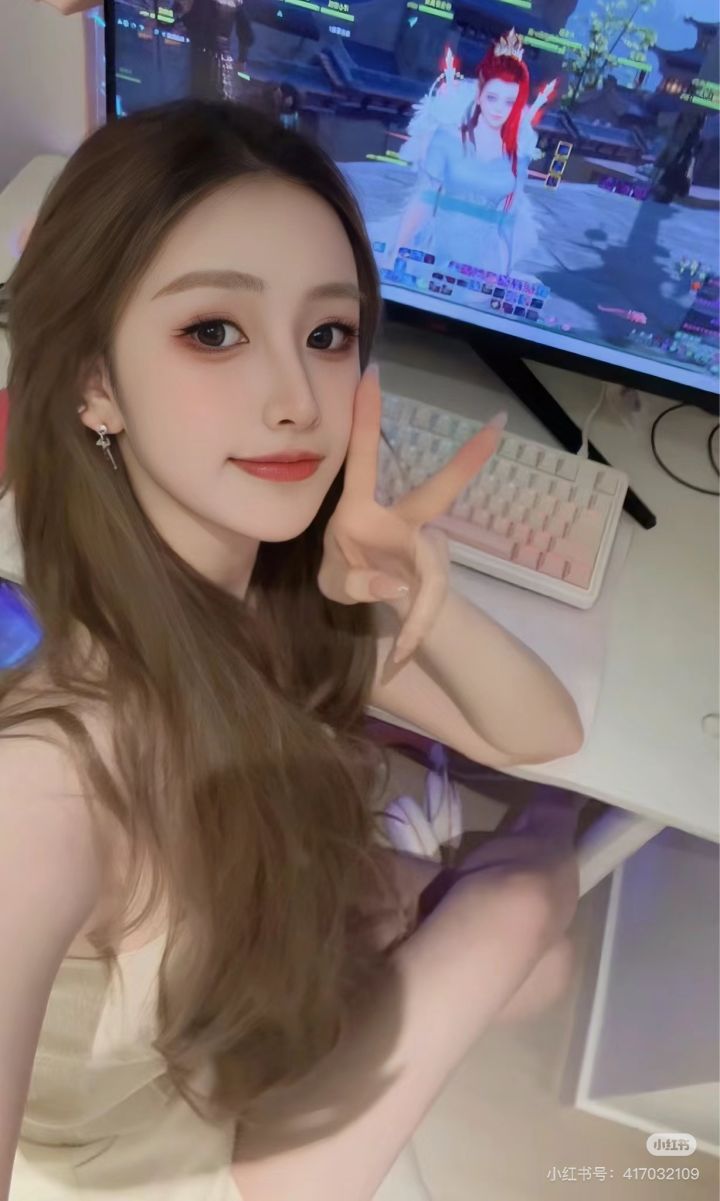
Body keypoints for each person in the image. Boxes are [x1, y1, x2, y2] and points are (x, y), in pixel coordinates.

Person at [0, 99, 584, 1200]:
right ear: (93, 383)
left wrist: (415, 593)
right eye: (213, 331)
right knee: (528, 902)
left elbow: (543, 731)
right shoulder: (47, 781)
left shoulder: (272, 588)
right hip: (168, 1145)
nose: (296, 401)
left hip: (235, 985)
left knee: (543, 945)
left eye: (327, 336)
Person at [392, 31, 556, 277]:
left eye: (509, 102)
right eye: (492, 97)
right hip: (433, 253)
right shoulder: (447, 138)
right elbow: (423, 201)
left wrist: (501, 279)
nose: (499, 109)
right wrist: (396, 252)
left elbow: (507, 224)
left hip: (482, 266)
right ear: (479, 95)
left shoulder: (517, 155)